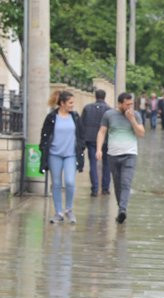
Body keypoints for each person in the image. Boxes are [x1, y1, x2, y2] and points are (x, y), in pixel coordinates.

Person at [96, 92, 145, 224]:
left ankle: (122, 209)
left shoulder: (136, 115)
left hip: (130, 154)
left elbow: (141, 133)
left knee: (126, 183)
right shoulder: (109, 115)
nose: (130, 107)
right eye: (127, 104)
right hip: (113, 155)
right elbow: (102, 132)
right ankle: (121, 208)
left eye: (131, 104)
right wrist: (99, 149)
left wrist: (132, 120)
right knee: (117, 184)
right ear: (120, 104)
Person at [39, 90, 85, 224]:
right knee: (57, 184)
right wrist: (43, 149)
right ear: (62, 103)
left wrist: (81, 147)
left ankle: (69, 210)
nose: (73, 105)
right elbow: (44, 134)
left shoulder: (75, 117)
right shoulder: (51, 117)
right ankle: (58, 212)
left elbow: (81, 135)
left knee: (70, 182)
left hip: (71, 155)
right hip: (54, 155)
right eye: (70, 102)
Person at [80, 88, 111, 196]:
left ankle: (94, 189)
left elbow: (81, 124)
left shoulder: (87, 108)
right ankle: (105, 188)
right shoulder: (109, 110)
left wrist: (82, 139)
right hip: (106, 140)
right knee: (106, 164)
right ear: (104, 97)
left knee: (93, 163)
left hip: (91, 139)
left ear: (95, 96)